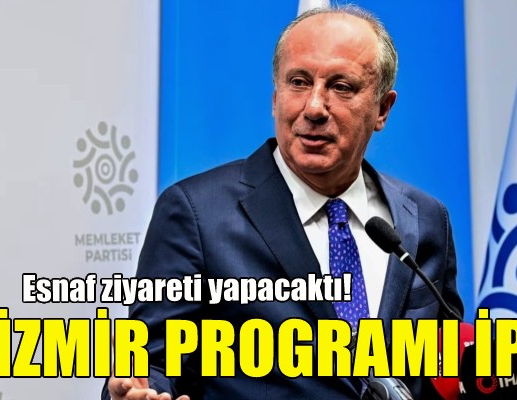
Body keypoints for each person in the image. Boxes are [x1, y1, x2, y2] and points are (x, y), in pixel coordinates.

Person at [105, 5, 463, 400]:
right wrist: (134, 391)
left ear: (382, 108)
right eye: (299, 82)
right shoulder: (197, 213)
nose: (314, 107)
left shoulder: (425, 219)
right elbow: (152, 362)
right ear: (276, 97)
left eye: (341, 86)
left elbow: (446, 370)